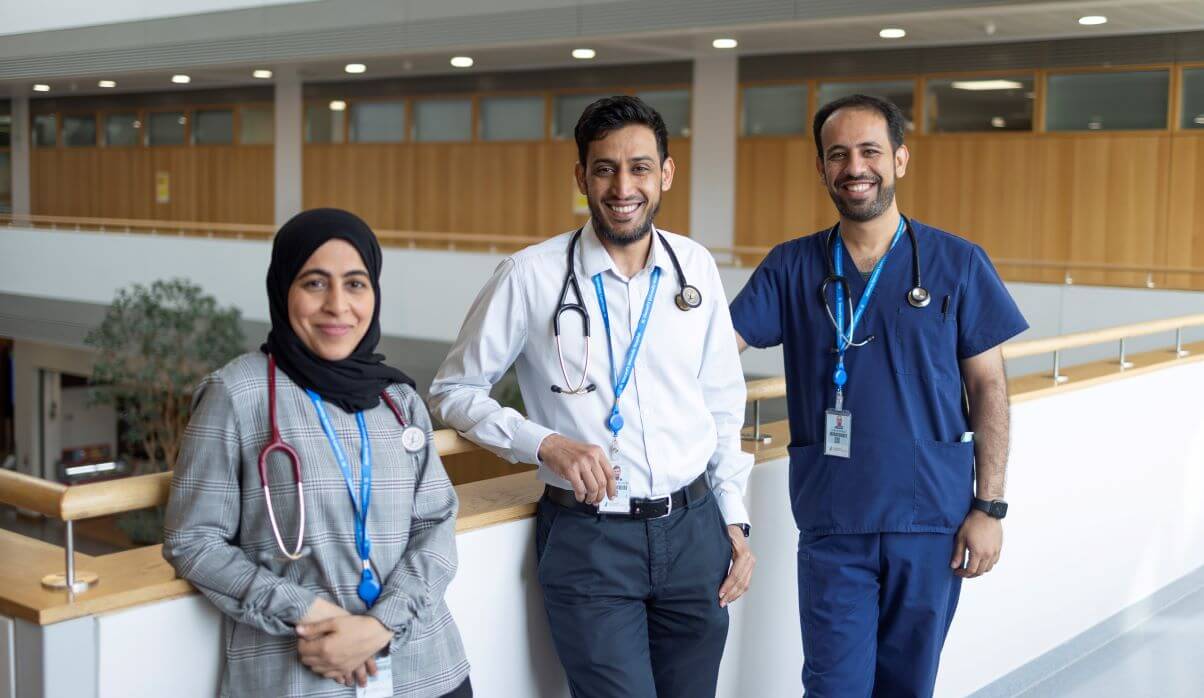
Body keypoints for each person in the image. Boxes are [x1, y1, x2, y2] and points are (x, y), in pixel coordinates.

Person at [428, 96, 754, 698]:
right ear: (581, 177)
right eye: (604, 168)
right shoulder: (530, 276)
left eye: (639, 167)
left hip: (695, 531)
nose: (622, 186)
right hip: (591, 540)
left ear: (666, 174)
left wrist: (734, 519)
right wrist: (545, 443)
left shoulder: (696, 269)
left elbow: (722, 403)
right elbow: (452, 391)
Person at [729, 94, 1027, 697]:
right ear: (822, 169)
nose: (854, 167)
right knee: (834, 686)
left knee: (908, 687)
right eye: (837, 155)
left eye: (870, 151)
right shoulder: (791, 267)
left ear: (899, 159)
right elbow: (710, 353)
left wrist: (989, 507)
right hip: (836, 518)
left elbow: (989, 387)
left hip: (932, 520)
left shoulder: (957, 262)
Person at [163, 208, 471, 698]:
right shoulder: (238, 396)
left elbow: (435, 524)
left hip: (426, 673)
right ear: (283, 288)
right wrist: (307, 612)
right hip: (300, 678)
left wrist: (378, 627)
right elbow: (194, 540)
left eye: (355, 284)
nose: (337, 305)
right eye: (314, 283)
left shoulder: (398, 400)